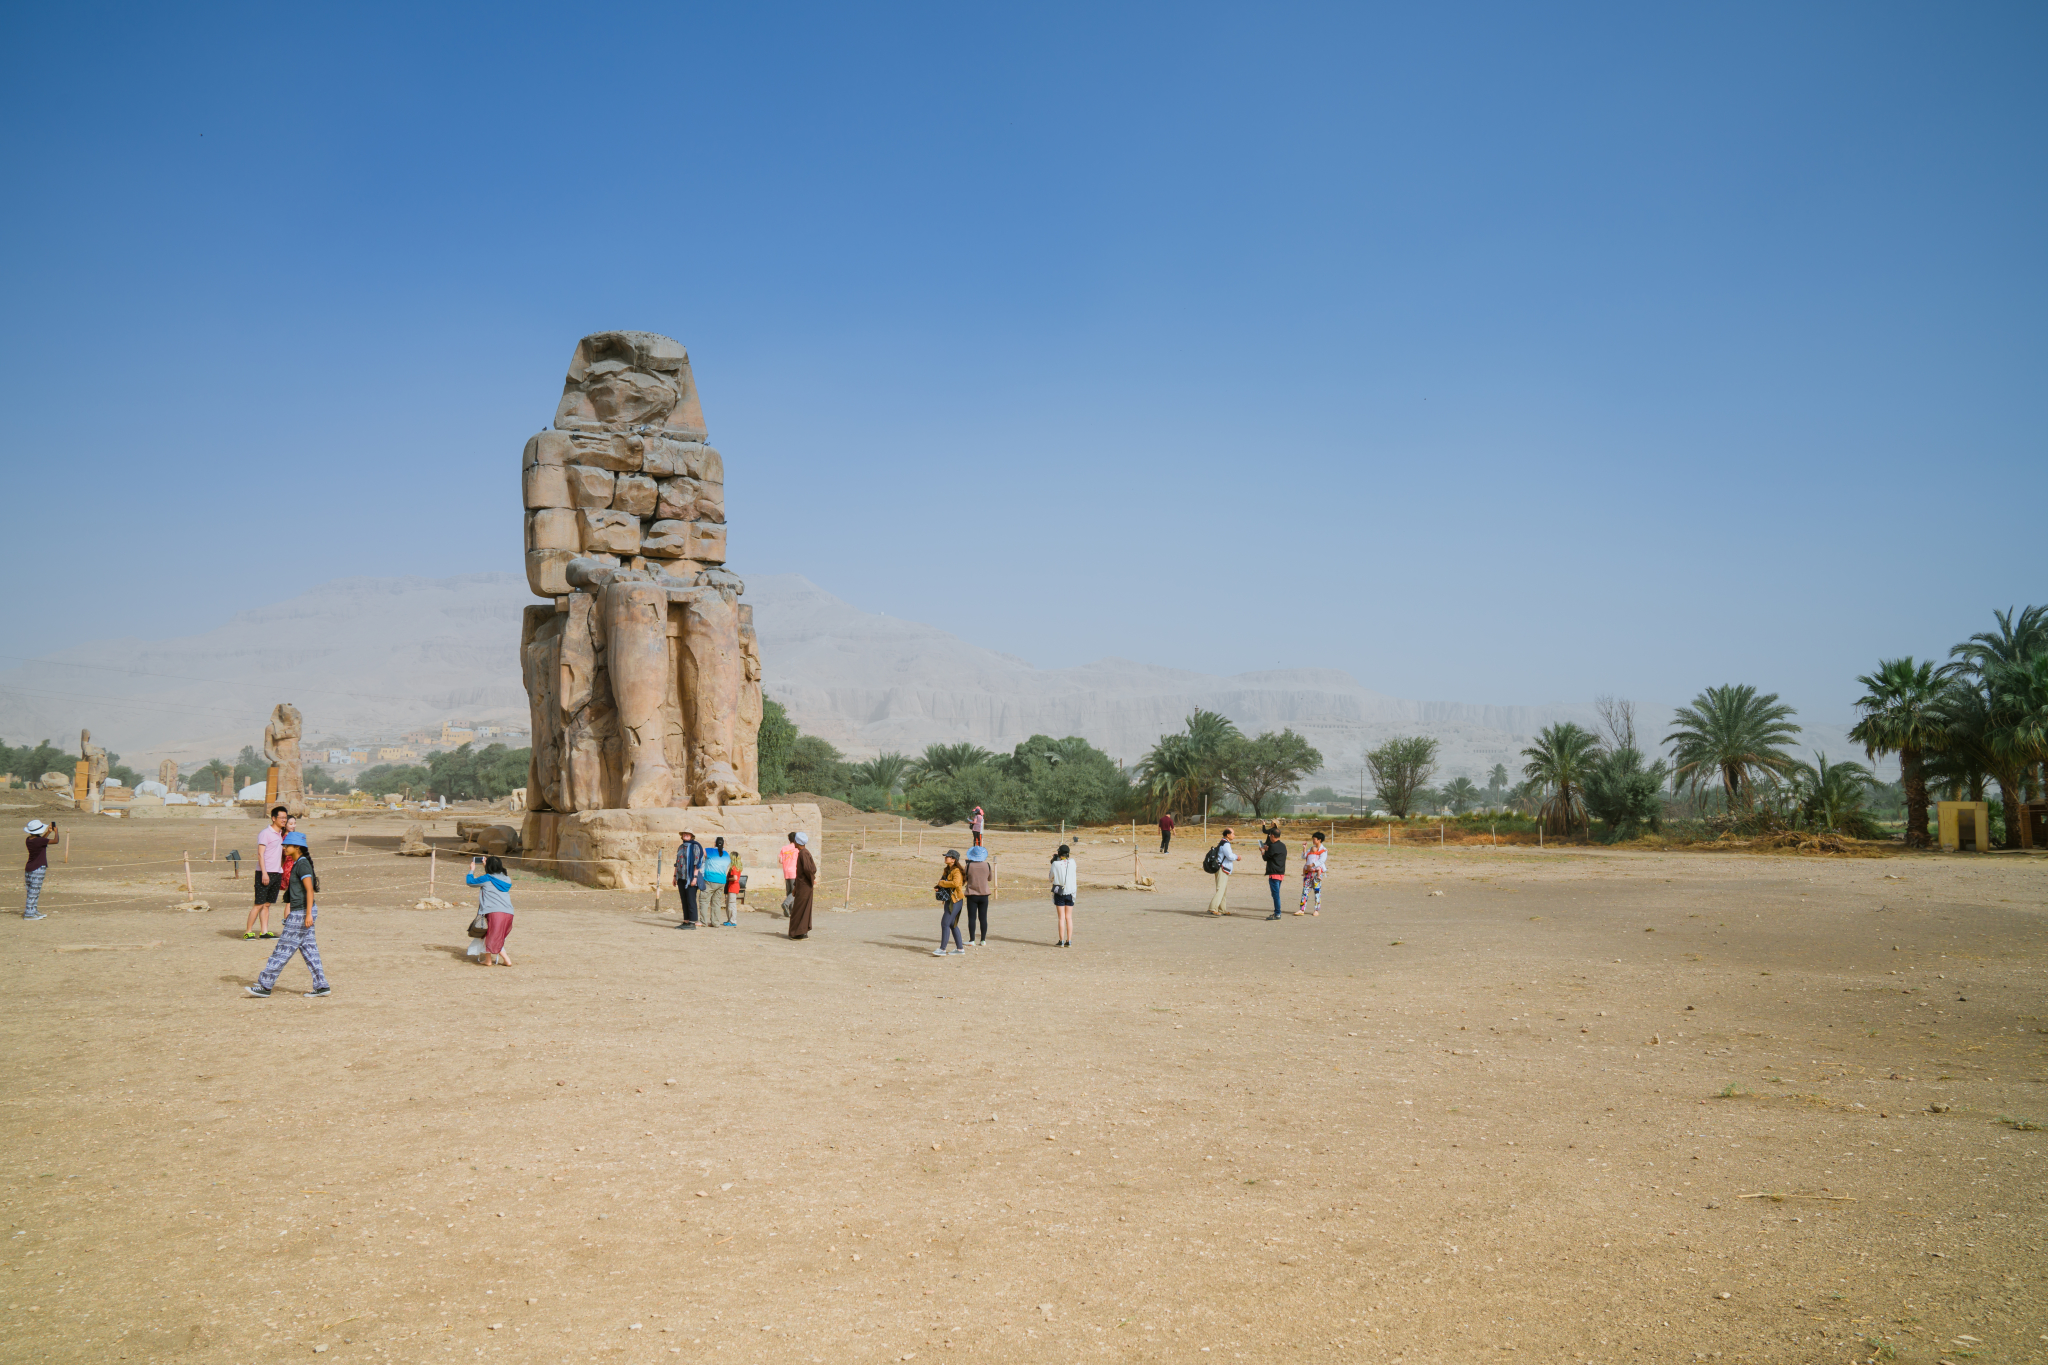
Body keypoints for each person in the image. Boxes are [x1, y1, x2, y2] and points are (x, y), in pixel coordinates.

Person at [247, 832, 329, 997]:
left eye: (287, 845)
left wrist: (307, 915)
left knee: (283, 949)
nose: (284, 848)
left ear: (297, 847)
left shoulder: (303, 865)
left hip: (301, 912)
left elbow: (309, 890)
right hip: (302, 911)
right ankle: (322, 986)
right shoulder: (298, 863)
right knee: (309, 950)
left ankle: (265, 985)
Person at [246, 804, 289, 939]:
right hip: (265, 873)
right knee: (258, 904)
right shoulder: (265, 833)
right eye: (281, 818)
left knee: (267, 904)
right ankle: (248, 931)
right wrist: (264, 873)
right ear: (273, 818)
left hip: (277, 872)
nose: (284, 820)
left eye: (285, 818)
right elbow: (260, 854)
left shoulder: (280, 834)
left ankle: (264, 931)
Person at [466, 854, 516, 965]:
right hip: (508, 912)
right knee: (492, 935)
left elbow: (470, 882)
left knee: (490, 935)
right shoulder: (507, 879)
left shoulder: (487, 878)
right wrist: (487, 867)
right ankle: (489, 960)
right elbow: (494, 878)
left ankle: (504, 960)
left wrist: (471, 870)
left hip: (494, 912)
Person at [22, 819, 56, 921]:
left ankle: (33, 910)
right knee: (34, 892)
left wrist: (49, 832)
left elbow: (41, 841)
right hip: (38, 868)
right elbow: (55, 841)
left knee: (32, 891)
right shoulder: (39, 841)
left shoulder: (29, 840)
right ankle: (29, 913)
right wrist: (56, 831)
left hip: (29, 868)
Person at [933, 850, 966, 956]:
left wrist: (942, 883)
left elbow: (956, 883)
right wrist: (939, 886)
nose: (945, 858)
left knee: (945, 923)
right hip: (949, 900)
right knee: (952, 924)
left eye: (948, 856)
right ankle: (960, 949)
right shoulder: (947, 870)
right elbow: (944, 882)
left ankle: (942, 949)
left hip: (955, 901)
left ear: (953, 859)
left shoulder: (956, 871)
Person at [962, 843, 996, 946]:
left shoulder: (968, 866)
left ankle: (972, 939)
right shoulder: (987, 865)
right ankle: (983, 940)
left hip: (972, 894)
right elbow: (990, 879)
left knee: (972, 918)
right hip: (984, 894)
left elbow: (965, 879)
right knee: (983, 917)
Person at [673, 831, 705, 930]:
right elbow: (677, 862)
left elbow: (697, 863)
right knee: (684, 900)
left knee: (691, 900)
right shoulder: (681, 847)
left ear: (691, 836)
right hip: (681, 877)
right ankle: (686, 921)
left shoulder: (695, 846)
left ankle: (692, 922)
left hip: (690, 877)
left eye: (687, 834)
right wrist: (674, 876)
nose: (685, 835)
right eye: (684, 834)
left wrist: (694, 877)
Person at [787, 831, 815, 939]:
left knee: (798, 910)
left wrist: (809, 880)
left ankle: (796, 932)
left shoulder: (803, 854)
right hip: (803, 885)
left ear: (797, 842)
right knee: (803, 908)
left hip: (804, 886)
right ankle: (802, 931)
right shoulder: (804, 853)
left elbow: (809, 869)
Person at [1049, 842, 1077, 946]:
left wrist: (1054, 862)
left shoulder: (1055, 864)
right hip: (1071, 892)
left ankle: (1061, 940)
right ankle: (1068, 940)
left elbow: (1050, 878)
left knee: (1061, 917)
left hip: (1060, 892)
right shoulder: (1073, 862)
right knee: (1068, 917)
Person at [702, 837, 733, 928]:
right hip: (722, 881)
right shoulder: (727, 854)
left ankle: (703, 922)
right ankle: (715, 922)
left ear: (714, 843)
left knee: (704, 900)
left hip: (710, 880)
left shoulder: (709, 850)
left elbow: (700, 851)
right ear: (723, 844)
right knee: (716, 902)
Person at [1259, 824, 1288, 920]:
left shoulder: (1273, 846)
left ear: (1272, 835)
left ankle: (1277, 913)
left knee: (1276, 895)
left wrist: (1263, 851)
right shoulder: (1283, 845)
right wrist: (1267, 850)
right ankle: (1277, 912)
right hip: (1281, 872)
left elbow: (1265, 858)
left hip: (1274, 873)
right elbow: (1274, 856)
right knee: (1275, 893)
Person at [1206, 827, 1236, 916]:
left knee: (1223, 890)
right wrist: (1237, 857)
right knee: (1220, 889)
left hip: (1222, 868)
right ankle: (1212, 908)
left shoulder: (1223, 842)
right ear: (1228, 835)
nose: (1234, 835)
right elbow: (1230, 856)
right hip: (1222, 869)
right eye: (1233, 833)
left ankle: (1222, 909)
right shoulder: (1226, 844)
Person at [1297, 831, 1328, 915]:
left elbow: (1322, 860)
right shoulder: (1311, 848)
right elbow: (1304, 856)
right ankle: (1302, 909)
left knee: (1317, 891)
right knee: (1305, 890)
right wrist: (1304, 848)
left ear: (1319, 840)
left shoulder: (1323, 850)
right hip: (1308, 873)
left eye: (1314, 839)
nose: (1313, 840)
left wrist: (1312, 865)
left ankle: (1316, 910)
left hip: (1316, 873)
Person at [778, 833, 801, 917]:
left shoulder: (784, 848)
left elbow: (780, 861)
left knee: (789, 892)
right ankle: (786, 903)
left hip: (786, 872)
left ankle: (790, 911)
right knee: (795, 891)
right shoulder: (797, 849)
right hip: (794, 872)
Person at [723, 846, 744, 926]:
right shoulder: (736, 867)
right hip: (732, 887)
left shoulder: (734, 868)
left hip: (733, 887)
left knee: (731, 905)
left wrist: (728, 879)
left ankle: (733, 920)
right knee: (729, 904)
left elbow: (734, 878)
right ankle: (730, 919)